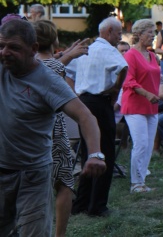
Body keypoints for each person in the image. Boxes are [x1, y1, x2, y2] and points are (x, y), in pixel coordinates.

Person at [0, 19, 105, 235]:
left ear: (34, 49)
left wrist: (95, 154)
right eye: (1, 46)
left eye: (14, 47)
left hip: (33, 175)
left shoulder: (47, 80)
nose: (5, 52)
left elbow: (86, 116)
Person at [67, 17, 128, 217]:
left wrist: (74, 94)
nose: (120, 37)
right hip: (101, 103)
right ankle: (97, 206)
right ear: (109, 31)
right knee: (105, 153)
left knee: (88, 152)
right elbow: (123, 67)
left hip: (84, 101)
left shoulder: (88, 49)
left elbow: (68, 71)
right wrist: (116, 89)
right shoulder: (108, 50)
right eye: (118, 33)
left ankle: (81, 203)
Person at [33, 20, 88, 237]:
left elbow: (47, 62)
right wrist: (68, 55)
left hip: (30, 131)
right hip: (52, 131)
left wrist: (67, 54)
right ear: (53, 40)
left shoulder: (25, 64)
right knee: (64, 183)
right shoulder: (54, 67)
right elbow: (52, 66)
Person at [121, 19, 162, 193]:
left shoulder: (152, 55)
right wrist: (146, 93)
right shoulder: (130, 55)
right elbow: (128, 81)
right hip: (135, 104)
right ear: (139, 34)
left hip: (151, 105)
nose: (153, 36)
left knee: (149, 144)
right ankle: (135, 184)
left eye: (154, 32)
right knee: (141, 144)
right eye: (149, 32)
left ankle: (142, 180)